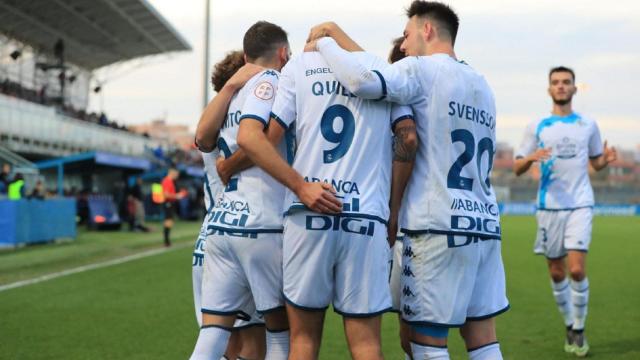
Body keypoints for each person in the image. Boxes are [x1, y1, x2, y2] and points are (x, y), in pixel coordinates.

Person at [308, 1, 509, 359]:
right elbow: (384, 69)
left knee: (426, 342)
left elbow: (362, 78)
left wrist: (325, 42)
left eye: (406, 35)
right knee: (482, 339)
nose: (402, 46)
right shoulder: (482, 84)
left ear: (426, 30)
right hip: (483, 225)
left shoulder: (422, 70)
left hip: (436, 226)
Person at [237, 20, 417, 360]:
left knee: (303, 341)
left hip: (310, 213)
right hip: (365, 218)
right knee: (366, 345)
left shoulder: (297, 67)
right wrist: (392, 211)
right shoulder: (381, 70)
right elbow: (408, 138)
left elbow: (266, 139)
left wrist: (300, 186)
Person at [189, 21, 291, 360]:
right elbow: (257, 140)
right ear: (283, 53)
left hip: (218, 228)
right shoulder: (275, 85)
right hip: (262, 223)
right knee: (276, 332)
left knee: (214, 335)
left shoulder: (227, 101)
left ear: (247, 56)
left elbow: (202, 137)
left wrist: (230, 85)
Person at [513, 66, 617, 357]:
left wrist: (605, 161)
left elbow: (595, 163)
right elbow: (518, 168)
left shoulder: (588, 124)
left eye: (566, 82)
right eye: (556, 83)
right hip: (549, 207)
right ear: (549, 89)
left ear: (574, 89)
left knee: (576, 269)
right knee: (557, 273)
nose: (561, 86)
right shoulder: (537, 126)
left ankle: (579, 328)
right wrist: (530, 157)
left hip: (580, 203)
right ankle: (569, 322)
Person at [192, 50, 267, 360]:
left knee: (222, 344)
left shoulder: (213, 123)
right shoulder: (249, 126)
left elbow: (201, 139)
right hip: (247, 231)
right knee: (253, 345)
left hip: (209, 241)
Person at [161, 168, 184, 247]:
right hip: (168, 203)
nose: (177, 176)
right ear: (172, 173)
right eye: (176, 174)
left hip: (170, 203)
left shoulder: (171, 181)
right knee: (168, 221)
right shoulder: (167, 181)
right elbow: (166, 194)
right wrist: (177, 196)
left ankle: (167, 241)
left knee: (169, 221)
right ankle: (166, 241)